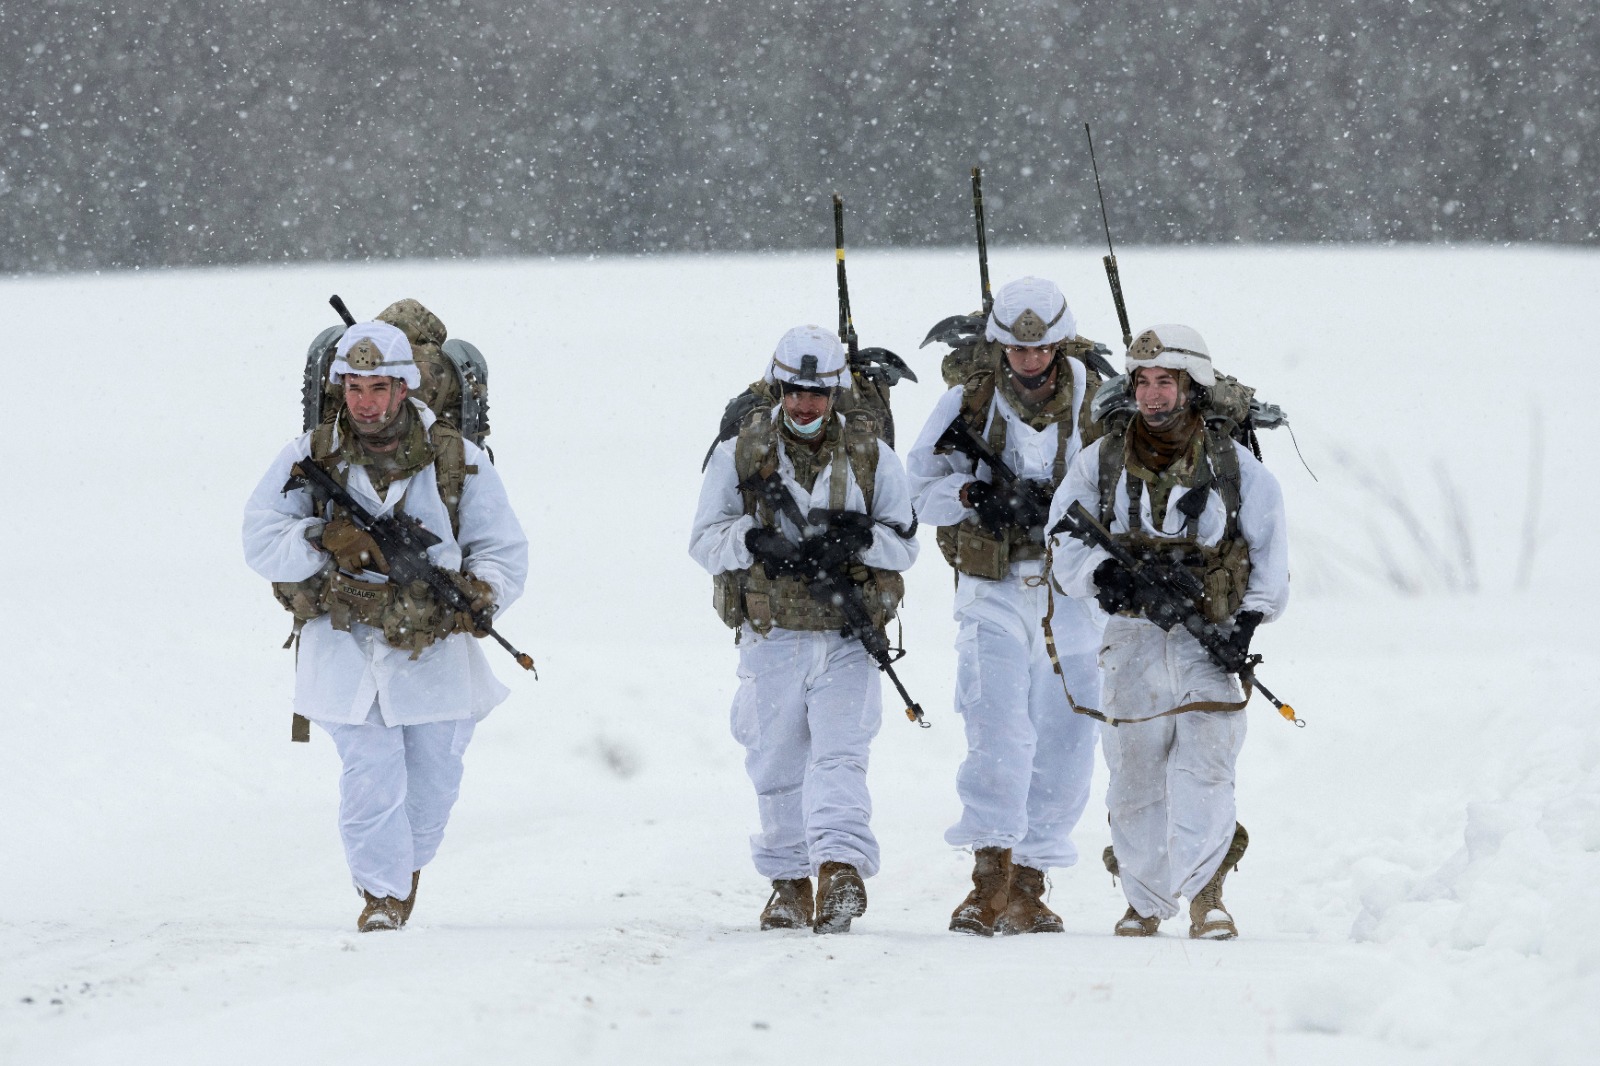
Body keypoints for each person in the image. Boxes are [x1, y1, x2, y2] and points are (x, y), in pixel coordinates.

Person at [243, 320, 529, 932]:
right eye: (353, 387)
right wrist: (321, 536)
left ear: (403, 388)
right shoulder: (308, 455)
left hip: (434, 652)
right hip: (343, 643)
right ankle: (381, 897)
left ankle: (403, 873)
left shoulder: (458, 458)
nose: (365, 401)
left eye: (378, 387)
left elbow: (503, 550)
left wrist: (480, 596)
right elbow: (260, 540)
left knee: (432, 787)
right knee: (370, 776)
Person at [1048, 324, 1288, 939]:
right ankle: (1144, 900)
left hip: (1208, 635)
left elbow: (1269, 558)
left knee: (1206, 768)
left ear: (1192, 386)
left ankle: (1208, 893)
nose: (1152, 396)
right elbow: (1063, 541)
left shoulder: (1235, 466)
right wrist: (1106, 578)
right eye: (1143, 382)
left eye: (1166, 382)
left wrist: (1246, 626)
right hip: (1130, 639)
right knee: (1133, 772)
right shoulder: (1099, 460)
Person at [689, 324, 919, 933]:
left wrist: (862, 538)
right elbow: (704, 540)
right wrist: (753, 540)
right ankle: (788, 881)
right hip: (772, 635)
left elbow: (906, 543)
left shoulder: (872, 455)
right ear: (777, 387)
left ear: (837, 391)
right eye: (794, 391)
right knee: (775, 760)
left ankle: (839, 869)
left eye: (817, 394)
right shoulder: (739, 452)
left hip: (848, 635)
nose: (805, 405)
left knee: (842, 754)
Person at [905, 277, 1105, 936]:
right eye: (1016, 349)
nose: (1028, 361)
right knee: (995, 729)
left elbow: (1129, 485)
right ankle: (990, 876)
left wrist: (1072, 514)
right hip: (991, 587)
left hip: (1072, 591)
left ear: (1059, 341)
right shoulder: (969, 401)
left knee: (1068, 735)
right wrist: (974, 495)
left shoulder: (1101, 403)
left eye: (1041, 347)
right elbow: (915, 489)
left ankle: (1032, 880)